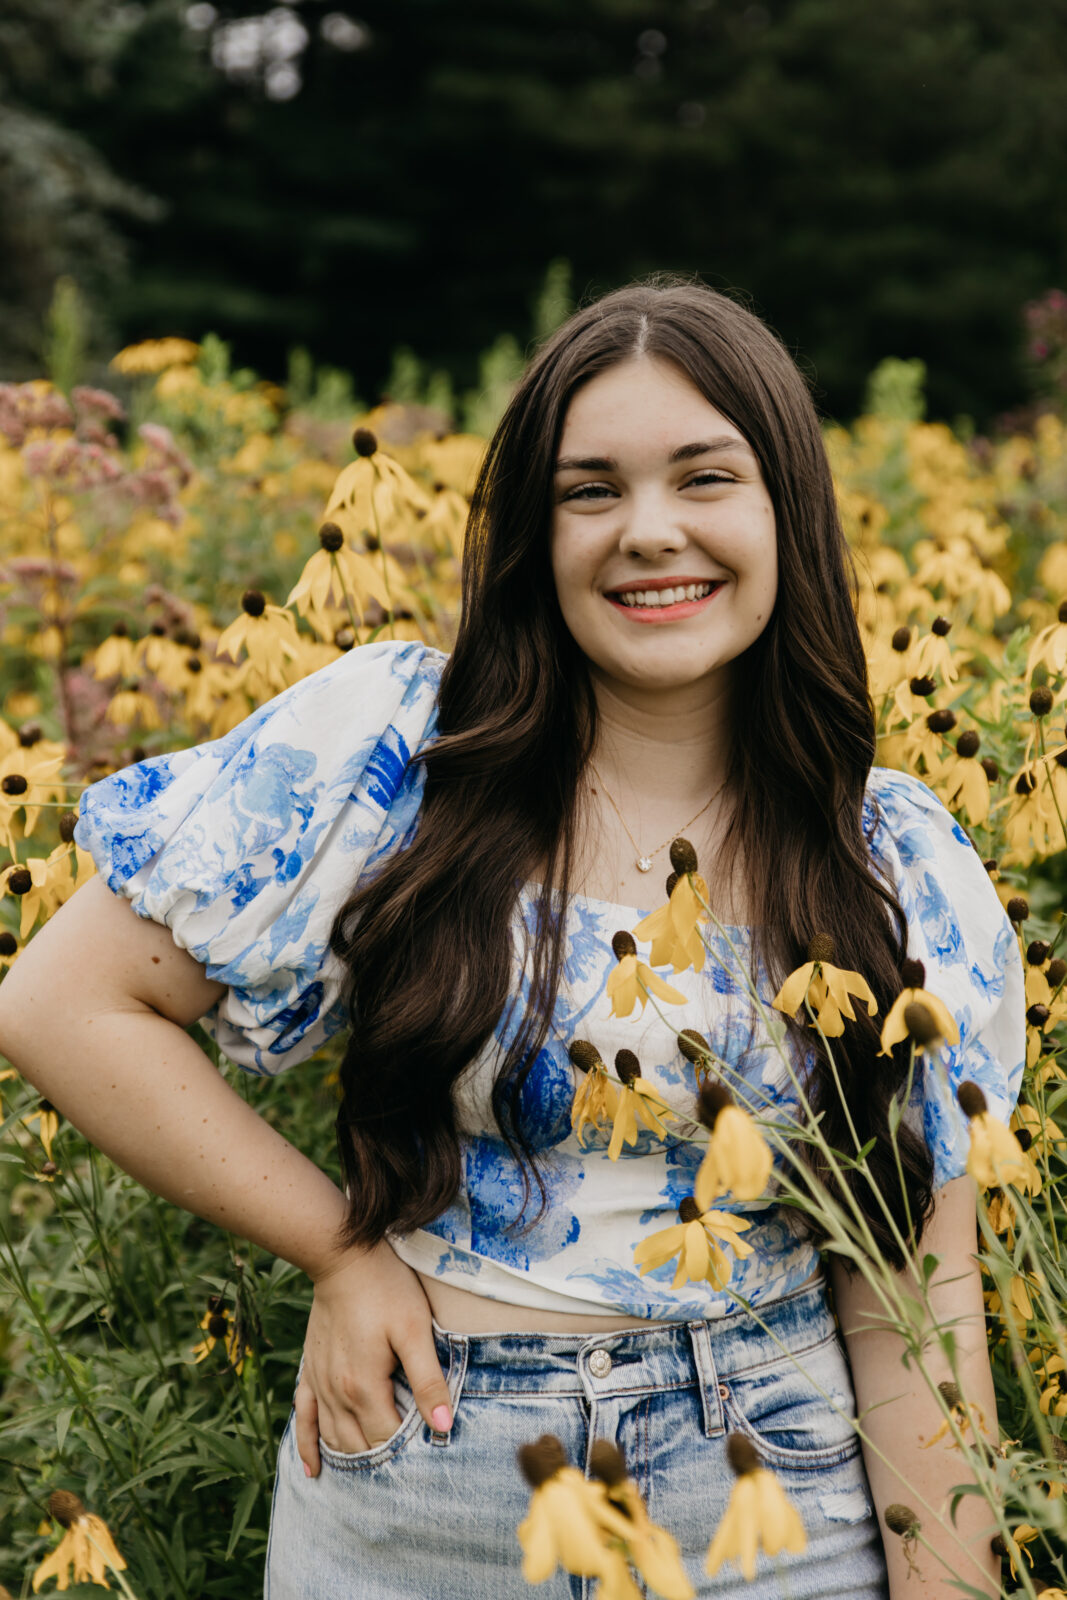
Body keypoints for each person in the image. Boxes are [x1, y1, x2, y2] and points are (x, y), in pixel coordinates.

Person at [0, 279, 1023, 1600]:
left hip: (776, 1498)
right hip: (427, 1469)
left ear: (790, 513)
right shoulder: (399, 753)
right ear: (532, 535)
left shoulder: (892, 857)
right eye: (589, 491)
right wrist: (339, 1246)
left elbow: (912, 1296)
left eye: (706, 477)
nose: (649, 532)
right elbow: (60, 1004)